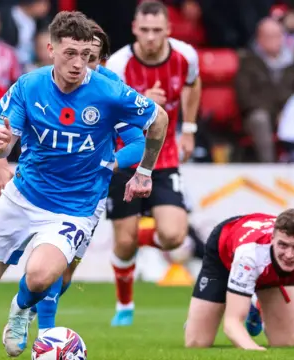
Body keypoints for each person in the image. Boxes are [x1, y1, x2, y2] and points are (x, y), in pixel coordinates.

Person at [0, 11, 169, 360]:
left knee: (43, 275)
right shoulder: (29, 86)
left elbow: (158, 119)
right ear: (51, 49)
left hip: (75, 206)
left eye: (85, 56)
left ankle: (22, 307)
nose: (78, 63)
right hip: (24, 194)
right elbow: (5, 135)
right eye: (70, 54)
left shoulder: (108, 91)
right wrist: (0, 156)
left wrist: (144, 171)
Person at [105, 0, 201, 327]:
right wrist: (143, 104)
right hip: (127, 156)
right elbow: (109, 113)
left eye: (157, 30)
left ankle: (152, 234)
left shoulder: (186, 56)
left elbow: (193, 84)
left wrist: (189, 129)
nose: (150, 37)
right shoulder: (118, 65)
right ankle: (124, 305)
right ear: (134, 29)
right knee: (124, 243)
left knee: (174, 236)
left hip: (165, 156)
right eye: (144, 30)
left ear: (168, 30)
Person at [184, 209, 294, 351]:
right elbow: (232, 324)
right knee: (197, 342)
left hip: (269, 268)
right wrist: (253, 350)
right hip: (225, 252)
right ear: (272, 239)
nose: (289, 254)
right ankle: (240, 299)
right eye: (283, 245)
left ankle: (255, 305)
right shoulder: (250, 254)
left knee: (283, 343)